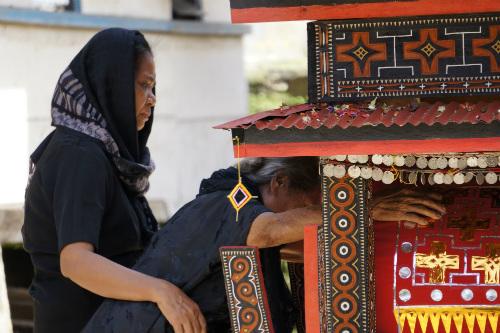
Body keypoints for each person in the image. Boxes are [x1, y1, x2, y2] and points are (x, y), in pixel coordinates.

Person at [83, 157, 446, 333]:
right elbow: (269, 232)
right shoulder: (232, 199)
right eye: (312, 206)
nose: (315, 217)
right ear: (281, 183)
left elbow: (294, 241)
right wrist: (359, 210)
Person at [22, 28, 206, 333]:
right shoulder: (79, 154)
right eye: (144, 86)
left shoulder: (106, 156)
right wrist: (161, 292)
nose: (152, 100)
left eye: (154, 87)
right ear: (112, 85)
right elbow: (76, 261)